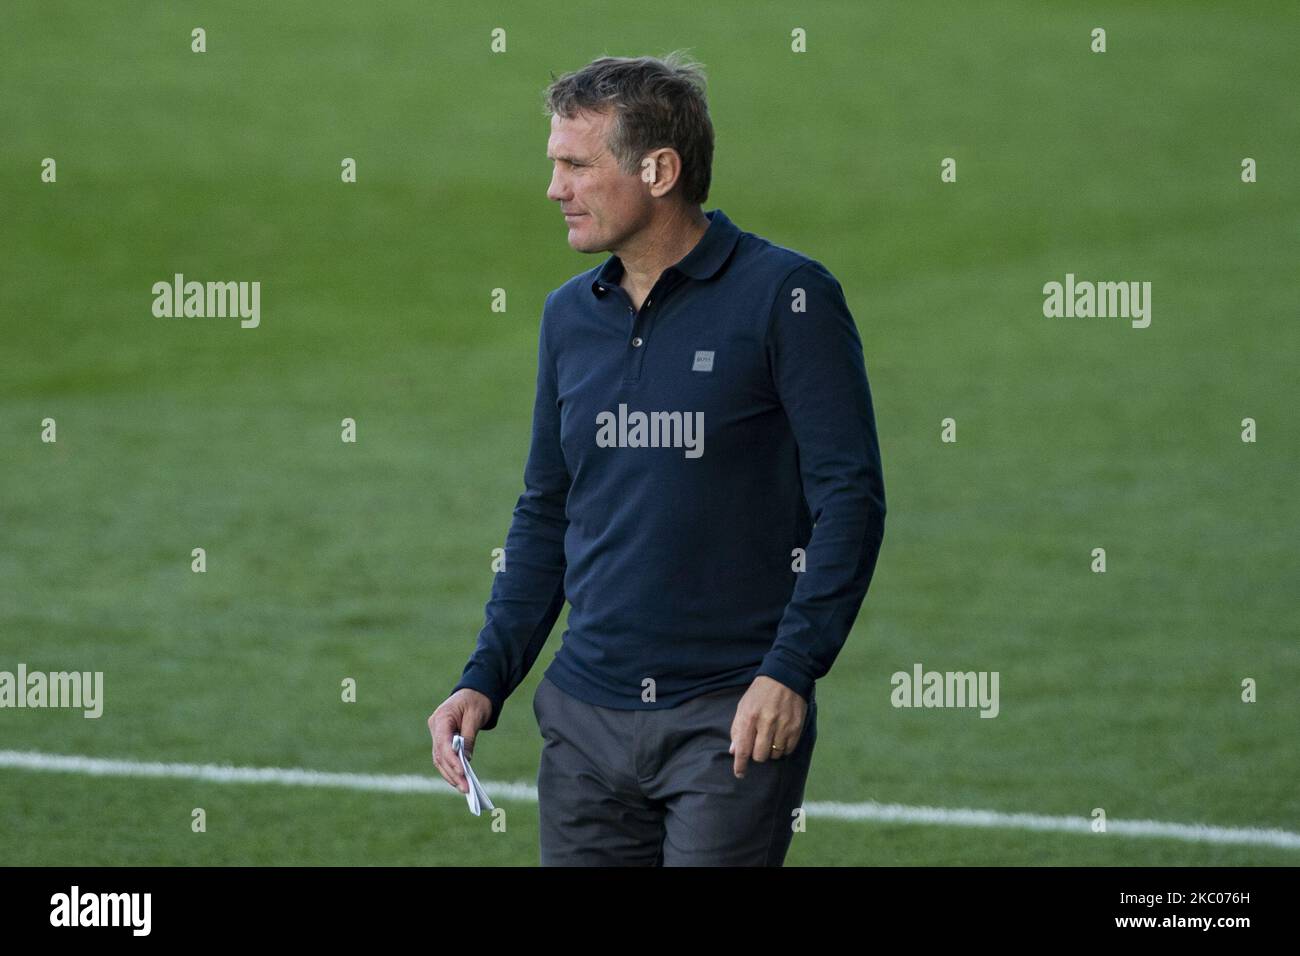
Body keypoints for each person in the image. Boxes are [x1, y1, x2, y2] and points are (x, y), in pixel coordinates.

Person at [428, 51, 886, 866]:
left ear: (660, 168)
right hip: (582, 719)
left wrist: (791, 670)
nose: (553, 188)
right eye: (554, 164)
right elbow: (547, 509)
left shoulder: (788, 298)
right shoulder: (569, 316)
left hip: (730, 718)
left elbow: (850, 500)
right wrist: (484, 678)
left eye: (576, 164)